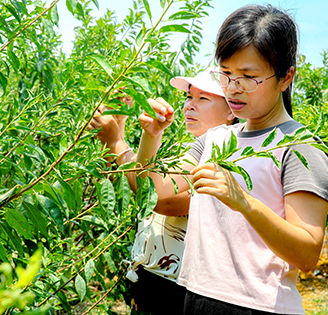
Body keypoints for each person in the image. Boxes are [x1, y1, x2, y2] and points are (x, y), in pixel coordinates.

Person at [135, 4, 328, 314]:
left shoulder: (300, 148)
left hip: (258, 307)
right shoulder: (215, 139)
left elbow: (307, 255)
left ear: (285, 77)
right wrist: (152, 137)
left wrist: (243, 200)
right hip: (196, 296)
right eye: (226, 75)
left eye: (248, 76)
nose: (233, 88)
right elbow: (157, 196)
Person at [88, 68, 235, 314]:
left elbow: (159, 200)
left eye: (203, 98)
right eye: (189, 97)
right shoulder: (185, 151)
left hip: (182, 293)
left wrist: (116, 141)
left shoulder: (226, 158)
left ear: (232, 110)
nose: (190, 105)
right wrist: (119, 127)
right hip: (151, 285)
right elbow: (139, 179)